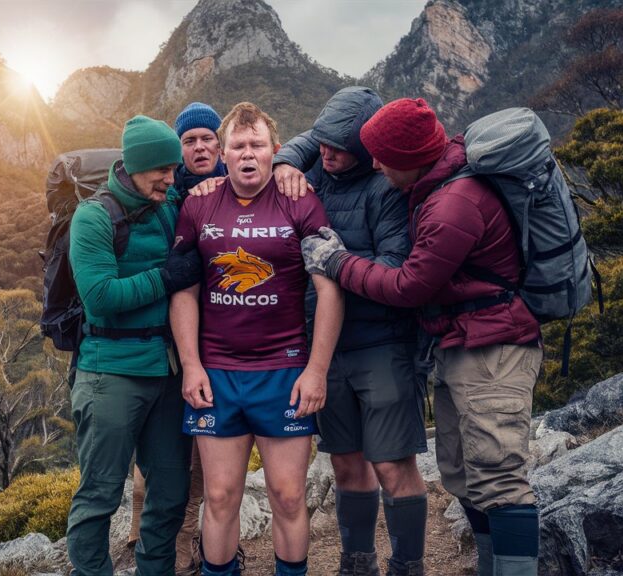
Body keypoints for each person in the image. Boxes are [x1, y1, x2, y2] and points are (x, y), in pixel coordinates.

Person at [301, 98, 544, 576]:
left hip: (493, 347)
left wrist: (336, 262)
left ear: (409, 159)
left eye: (382, 157)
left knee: (497, 477)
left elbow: (408, 285)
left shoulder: (454, 203)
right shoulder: (430, 186)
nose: (375, 165)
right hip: (458, 341)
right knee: (462, 475)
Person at [170, 102, 343, 576]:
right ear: (223, 154)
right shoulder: (199, 203)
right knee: (221, 495)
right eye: (238, 146)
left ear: (275, 151)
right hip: (218, 373)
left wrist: (316, 371)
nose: (248, 154)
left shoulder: (300, 200)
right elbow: (183, 291)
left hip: (284, 372)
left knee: (287, 496)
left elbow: (330, 289)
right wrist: (191, 365)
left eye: (257, 145)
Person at [273, 86, 430, 576]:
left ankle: (408, 565)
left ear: (368, 149)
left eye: (338, 147)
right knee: (346, 463)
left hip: (381, 345)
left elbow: (394, 268)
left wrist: (338, 262)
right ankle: (356, 562)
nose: (327, 153)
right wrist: (285, 161)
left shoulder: (387, 190)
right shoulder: (315, 170)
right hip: (324, 349)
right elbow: (306, 143)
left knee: (391, 464)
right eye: (322, 143)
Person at [66, 115, 204, 576]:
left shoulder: (169, 204)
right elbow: (100, 297)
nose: (172, 176)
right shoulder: (92, 217)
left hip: (166, 374)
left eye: (173, 167)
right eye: (162, 169)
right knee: (100, 494)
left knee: (169, 491)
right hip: (110, 374)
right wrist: (164, 278)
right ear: (136, 166)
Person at [129, 101, 227, 575]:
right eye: (190, 141)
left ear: (220, 142)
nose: (200, 146)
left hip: (222, 340)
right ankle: (142, 538)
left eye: (208, 137)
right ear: (179, 150)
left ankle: (191, 550)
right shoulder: (167, 196)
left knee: (203, 462)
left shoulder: (240, 183)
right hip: (172, 344)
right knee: (167, 454)